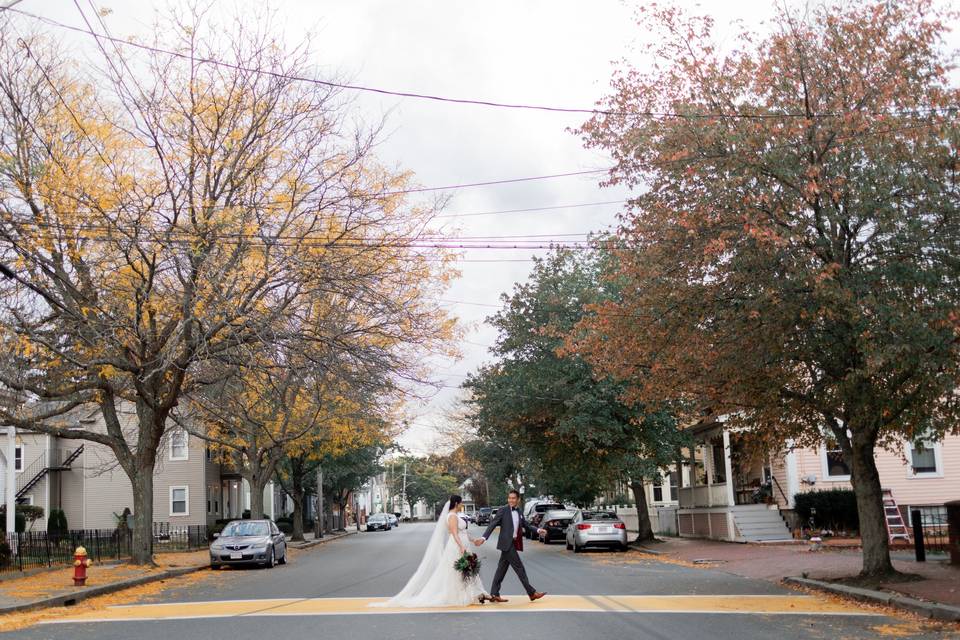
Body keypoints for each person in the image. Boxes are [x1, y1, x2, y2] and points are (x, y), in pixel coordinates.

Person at [374, 494, 490, 607]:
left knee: (468, 569)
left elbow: (462, 532)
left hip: (463, 544)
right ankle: (466, 594)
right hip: (457, 546)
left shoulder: (455, 515)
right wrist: (461, 546)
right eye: (461, 503)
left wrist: (473, 540)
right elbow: (454, 534)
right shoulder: (452, 516)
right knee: (460, 571)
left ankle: (478, 593)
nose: (462, 505)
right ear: (456, 503)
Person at [474, 490, 546, 602]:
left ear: (518, 499)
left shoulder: (519, 511)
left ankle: (494, 593)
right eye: (509, 498)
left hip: (512, 543)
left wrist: (538, 530)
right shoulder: (503, 510)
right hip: (506, 544)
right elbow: (493, 524)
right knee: (519, 568)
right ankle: (531, 593)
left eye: (513, 498)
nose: (511, 500)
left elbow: (526, 525)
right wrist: (484, 538)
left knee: (501, 570)